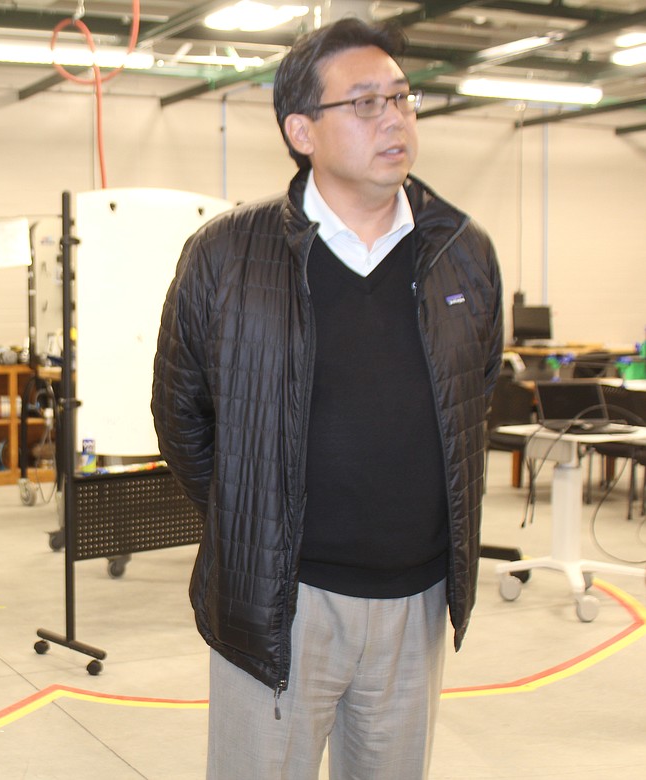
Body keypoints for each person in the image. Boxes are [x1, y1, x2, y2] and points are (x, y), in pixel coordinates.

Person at [152, 18, 502, 780]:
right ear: (301, 130)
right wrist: (254, 521)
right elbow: (181, 419)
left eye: (402, 98)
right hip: (280, 602)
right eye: (366, 102)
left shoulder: (462, 253)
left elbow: (474, 398)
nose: (395, 117)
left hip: (415, 601)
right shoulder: (226, 255)